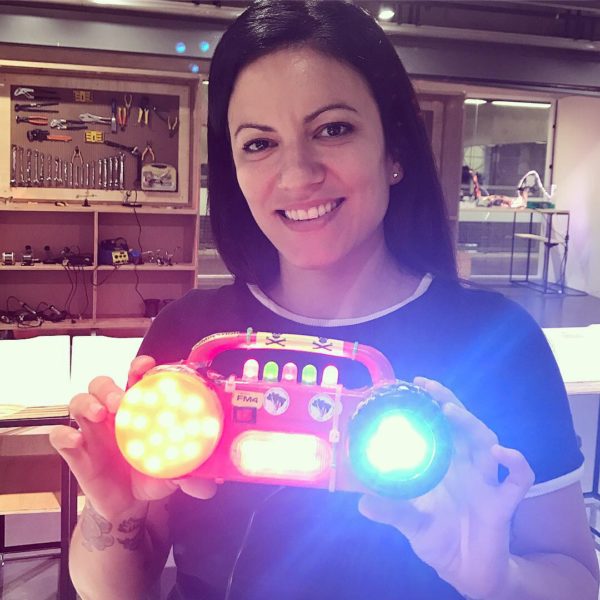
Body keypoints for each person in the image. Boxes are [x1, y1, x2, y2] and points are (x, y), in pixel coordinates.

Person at [50, 2, 599, 599]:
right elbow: (117, 591)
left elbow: (574, 576)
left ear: (393, 150)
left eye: (333, 129)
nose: (296, 175)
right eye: (259, 143)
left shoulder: (497, 343)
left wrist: (498, 580)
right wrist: (114, 512)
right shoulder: (188, 339)